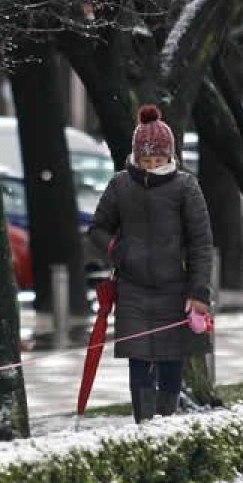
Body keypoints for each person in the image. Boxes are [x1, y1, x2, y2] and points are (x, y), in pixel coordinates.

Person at [87, 104, 213, 423]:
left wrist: (199, 292)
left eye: (157, 159)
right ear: (136, 156)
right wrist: (119, 250)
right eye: (146, 160)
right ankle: (143, 426)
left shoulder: (186, 186)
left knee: (171, 363)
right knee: (139, 362)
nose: (151, 165)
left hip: (176, 290)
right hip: (133, 291)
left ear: (169, 156)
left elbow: (201, 242)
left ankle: (166, 426)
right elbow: (98, 228)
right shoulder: (120, 185)